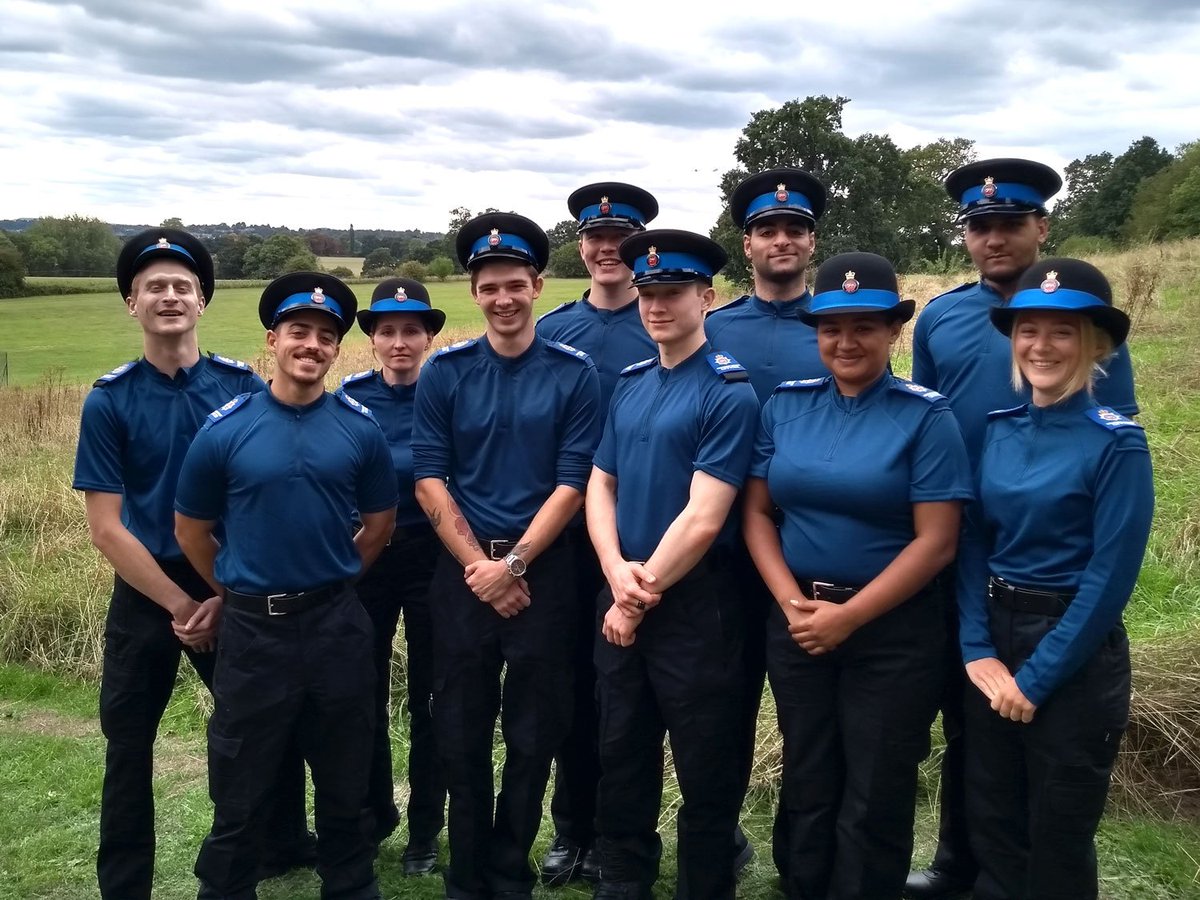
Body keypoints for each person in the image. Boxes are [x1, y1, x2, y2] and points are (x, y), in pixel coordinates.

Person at [906, 158, 1140, 899]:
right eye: (980, 226)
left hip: (1062, 595)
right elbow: (928, 429)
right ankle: (958, 865)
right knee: (978, 753)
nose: (994, 237)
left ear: (1041, 226)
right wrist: (976, 640)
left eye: (1010, 222)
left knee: (1055, 807)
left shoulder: (1107, 413)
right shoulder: (944, 321)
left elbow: (1111, 552)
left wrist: (1034, 673)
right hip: (972, 555)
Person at [72, 228, 310, 900]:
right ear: (131, 303)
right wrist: (181, 606)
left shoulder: (240, 389)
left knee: (262, 728)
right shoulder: (110, 400)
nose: (170, 296)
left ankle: (279, 845)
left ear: (202, 299)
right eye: (155, 287)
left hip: (230, 582)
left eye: (182, 286)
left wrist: (223, 595)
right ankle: (125, 884)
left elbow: (259, 501)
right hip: (147, 592)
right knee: (128, 747)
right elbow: (106, 528)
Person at [743, 252, 973, 898]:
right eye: (831, 327)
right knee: (808, 775)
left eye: (865, 326)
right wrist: (793, 606)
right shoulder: (784, 408)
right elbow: (757, 515)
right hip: (799, 626)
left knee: (875, 787)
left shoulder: (927, 417)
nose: (846, 341)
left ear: (894, 330)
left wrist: (850, 616)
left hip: (893, 634)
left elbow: (937, 543)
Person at [175, 272, 398, 900]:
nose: (312, 344)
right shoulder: (227, 428)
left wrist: (329, 580)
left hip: (335, 625)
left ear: (336, 350)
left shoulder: (359, 428)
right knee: (241, 777)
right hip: (252, 634)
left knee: (345, 773)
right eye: (298, 331)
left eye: (326, 336)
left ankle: (350, 886)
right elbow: (192, 529)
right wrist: (239, 589)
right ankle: (226, 888)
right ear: (273, 339)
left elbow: (379, 526)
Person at [412, 212, 602, 900]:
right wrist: (480, 569)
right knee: (459, 734)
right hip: (462, 576)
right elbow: (428, 476)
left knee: (533, 734)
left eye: (516, 285)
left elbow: (573, 481)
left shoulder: (574, 374)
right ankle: (466, 875)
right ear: (474, 291)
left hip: (545, 578)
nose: (503, 298)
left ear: (537, 284)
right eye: (489, 286)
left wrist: (514, 565)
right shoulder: (447, 372)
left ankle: (509, 867)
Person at [957, 258, 1154, 899]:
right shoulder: (1000, 432)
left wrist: (1036, 680)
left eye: (1062, 331)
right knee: (994, 818)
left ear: (1095, 344)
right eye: (1028, 330)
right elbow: (975, 541)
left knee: (1059, 829)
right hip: (998, 632)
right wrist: (977, 647)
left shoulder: (1117, 444)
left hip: (1072, 648)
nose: (1041, 346)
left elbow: (1110, 575)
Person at [588, 228, 759, 900]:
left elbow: (704, 516)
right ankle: (625, 876)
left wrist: (634, 596)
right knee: (621, 747)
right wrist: (613, 572)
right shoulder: (630, 384)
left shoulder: (728, 391)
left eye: (672, 293)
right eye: (647, 293)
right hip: (624, 582)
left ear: (706, 297)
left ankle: (703, 884)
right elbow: (601, 483)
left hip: (694, 604)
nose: (656, 305)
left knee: (706, 760)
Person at [705, 167, 831, 872]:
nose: (781, 239)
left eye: (795, 228)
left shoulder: (839, 324)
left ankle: (804, 862)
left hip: (811, 554)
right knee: (721, 713)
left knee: (808, 722)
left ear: (811, 241)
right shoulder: (715, 328)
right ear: (747, 244)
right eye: (766, 229)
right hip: (722, 555)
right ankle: (719, 843)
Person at [535, 181, 659, 886]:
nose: (608, 251)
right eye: (596, 239)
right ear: (580, 246)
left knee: (640, 699)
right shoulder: (554, 331)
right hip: (570, 542)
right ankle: (570, 827)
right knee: (572, 689)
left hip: (650, 536)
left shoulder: (664, 318)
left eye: (622, 241)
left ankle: (624, 834)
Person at [341, 277, 448, 874]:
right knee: (363, 692)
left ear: (430, 336)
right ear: (374, 339)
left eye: (412, 330)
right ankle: (371, 815)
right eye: (387, 331)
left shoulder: (447, 392)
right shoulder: (351, 400)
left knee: (432, 696)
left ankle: (426, 832)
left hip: (435, 558)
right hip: (369, 557)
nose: (400, 342)